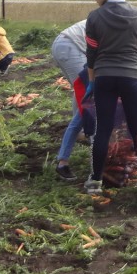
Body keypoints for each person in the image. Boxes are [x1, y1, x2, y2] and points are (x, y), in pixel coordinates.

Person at [82, 0, 137, 196]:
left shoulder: (94, 17)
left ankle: (95, 181)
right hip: (132, 77)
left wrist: (91, 81)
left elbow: (91, 54)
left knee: (102, 128)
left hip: (104, 77)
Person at [52, 20, 88, 181]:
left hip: (67, 45)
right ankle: (86, 133)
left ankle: (63, 160)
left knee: (84, 100)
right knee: (86, 103)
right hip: (70, 47)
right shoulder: (113, 23)